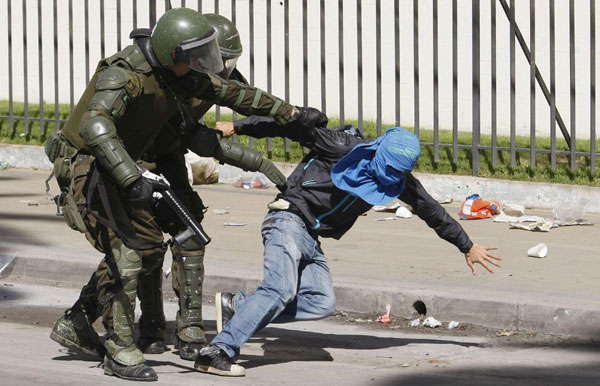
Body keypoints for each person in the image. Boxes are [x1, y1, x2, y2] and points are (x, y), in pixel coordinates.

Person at [44, 8, 325, 382]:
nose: (202, 68)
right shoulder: (124, 75)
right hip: (91, 166)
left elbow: (236, 94)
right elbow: (96, 126)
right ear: (172, 53)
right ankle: (120, 348)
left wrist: (292, 113)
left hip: (131, 165)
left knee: (150, 247)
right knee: (127, 252)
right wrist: (132, 179)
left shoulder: (178, 76)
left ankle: (85, 321)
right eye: (194, 59)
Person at [193, 116, 502, 377]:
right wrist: (240, 125)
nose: (391, 180)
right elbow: (292, 125)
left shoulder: (401, 180)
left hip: (310, 236)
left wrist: (467, 245)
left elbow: (431, 210)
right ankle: (218, 350)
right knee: (280, 289)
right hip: (287, 219)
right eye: (387, 172)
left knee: (321, 301)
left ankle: (240, 307)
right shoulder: (339, 145)